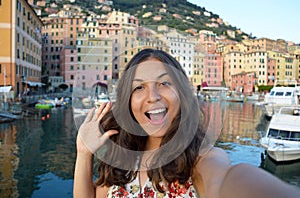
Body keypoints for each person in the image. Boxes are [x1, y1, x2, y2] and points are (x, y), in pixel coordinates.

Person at [74, 48, 300, 198]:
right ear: (128, 100)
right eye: (139, 87)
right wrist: (84, 153)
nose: (153, 96)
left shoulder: (201, 159)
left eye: (164, 83)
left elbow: (226, 180)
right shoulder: (120, 162)